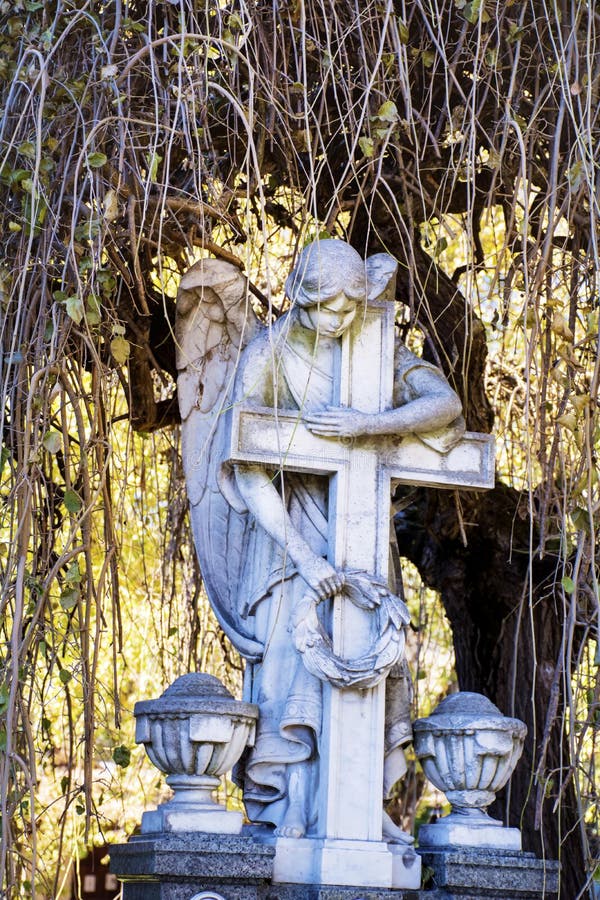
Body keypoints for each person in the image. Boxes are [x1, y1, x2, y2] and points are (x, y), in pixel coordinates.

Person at [230, 239, 463, 838]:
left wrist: (368, 427)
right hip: (289, 542)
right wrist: (306, 560)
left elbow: (444, 405)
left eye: (349, 309)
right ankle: (291, 810)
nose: (339, 321)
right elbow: (249, 470)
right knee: (292, 662)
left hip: (359, 530)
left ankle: (358, 811)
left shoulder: (375, 348)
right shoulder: (268, 355)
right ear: (300, 300)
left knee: (369, 656)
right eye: (327, 308)